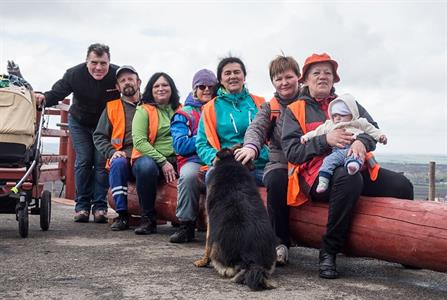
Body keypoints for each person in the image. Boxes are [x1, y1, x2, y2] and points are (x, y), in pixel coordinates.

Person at [281, 53, 413, 279]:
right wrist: (325, 140)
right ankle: (329, 250)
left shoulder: (349, 102)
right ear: (305, 80)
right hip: (316, 176)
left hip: (356, 163)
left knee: (402, 186)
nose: (323, 77)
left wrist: (362, 141)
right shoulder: (295, 109)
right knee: (349, 179)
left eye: (328, 73)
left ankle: (404, 247)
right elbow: (292, 151)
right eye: (316, 73)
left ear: (334, 78)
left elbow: (372, 128)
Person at [34, 43, 120, 223]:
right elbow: (58, 92)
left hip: (105, 126)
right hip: (80, 122)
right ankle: (81, 207)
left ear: (109, 62)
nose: (98, 68)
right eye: (94, 62)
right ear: (86, 61)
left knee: (101, 161)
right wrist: (44, 98)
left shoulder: (117, 75)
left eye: (103, 63)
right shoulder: (74, 74)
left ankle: (99, 207)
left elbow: (131, 92)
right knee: (84, 160)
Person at [233, 55, 301, 266]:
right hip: (282, 161)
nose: (284, 83)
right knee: (275, 180)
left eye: (288, 77)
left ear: (299, 77)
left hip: (312, 161)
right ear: (273, 82)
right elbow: (256, 128)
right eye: (278, 79)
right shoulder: (269, 107)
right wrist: (251, 147)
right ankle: (279, 242)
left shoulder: (310, 100)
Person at [196, 56, 269, 186]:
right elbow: (202, 144)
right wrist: (216, 159)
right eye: (227, 73)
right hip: (227, 165)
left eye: (237, 72)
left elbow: (272, 138)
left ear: (244, 77)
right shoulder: (210, 108)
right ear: (220, 80)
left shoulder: (260, 103)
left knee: (279, 181)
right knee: (213, 175)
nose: (232, 76)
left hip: (260, 165)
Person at [300, 93, 387, 193]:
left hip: (352, 150)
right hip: (338, 151)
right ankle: (323, 181)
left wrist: (380, 137)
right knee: (328, 161)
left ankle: (353, 166)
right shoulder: (330, 125)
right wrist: (306, 137)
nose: (338, 118)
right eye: (335, 115)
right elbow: (317, 132)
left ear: (351, 114)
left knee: (355, 156)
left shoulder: (359, 122)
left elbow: (372, 130)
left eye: (342, 115)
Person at [169, 69, 218, 243]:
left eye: (210, 86)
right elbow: (180, 145)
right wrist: (205, 137)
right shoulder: (184, 113)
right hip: (194, 160)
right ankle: (186, 225)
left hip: (218, 158)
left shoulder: (221, 108)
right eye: (201, 86)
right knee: (189, 176)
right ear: (194, 89)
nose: (206, 90)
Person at [131, 72, 181, 235]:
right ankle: (148, 219)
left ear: (172, 88)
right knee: (146, 167)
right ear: (150, 90)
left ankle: (185, 219)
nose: (161, 88)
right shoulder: (143, 110)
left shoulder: (181, 109)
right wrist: (163, 162)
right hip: (149, 158)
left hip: (177, 157)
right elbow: (139, 142)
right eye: (156, 86)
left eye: (165, 85)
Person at [93, 65, 142, 231]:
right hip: (123, 156)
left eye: (130, 79)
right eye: (122, 80)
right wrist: (112, 152)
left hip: (146, 155)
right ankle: (122, 215)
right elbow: (99, 136)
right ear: (117, 87)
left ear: (138, 82)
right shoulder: (111, 107)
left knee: (147, 166)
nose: (127, 83)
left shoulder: (150, 104)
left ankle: (149, 214)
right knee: (118, 164)